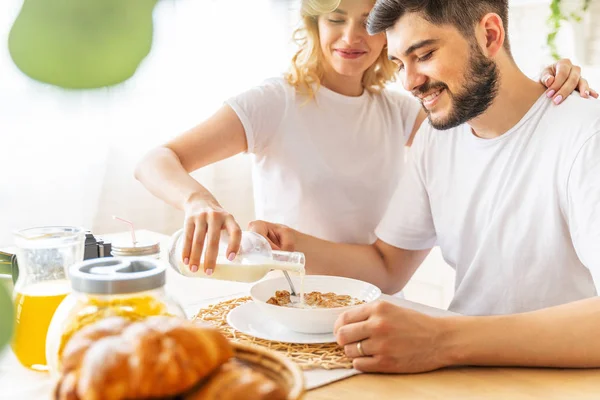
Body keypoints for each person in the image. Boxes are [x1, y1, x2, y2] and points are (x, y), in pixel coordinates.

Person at [248, 0, 600, 373]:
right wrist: (286, 243)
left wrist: (445, 340)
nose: (410, 82)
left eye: (425, 54)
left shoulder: (584, 135)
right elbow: (387, 267)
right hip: (462, 376)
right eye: (400, 63)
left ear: (490, 35)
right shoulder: (437, 138)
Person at [135, 0, 593, 276]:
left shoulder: (404, 111)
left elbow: (485, 113)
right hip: (283, 292)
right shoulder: (275, 102)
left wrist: (556, 81)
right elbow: (155, 160)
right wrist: (200, 203)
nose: (352, 36)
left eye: (366, 19)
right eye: (336, 19)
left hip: (366, 301)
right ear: (314, 24)